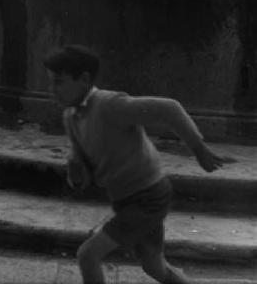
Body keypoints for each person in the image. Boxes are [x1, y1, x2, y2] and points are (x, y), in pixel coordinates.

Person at [44, 45, 231, 284]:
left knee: (88, 255)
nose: (52, 90)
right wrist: (76, 173)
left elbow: (170, 108)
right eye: (50, 82)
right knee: (154, 267)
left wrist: (199, 148)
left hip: (148, 197)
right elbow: (84, 174)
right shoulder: (71, 118)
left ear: (84, 79)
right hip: (126, 199)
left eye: (59, 82)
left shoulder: (110, 105)